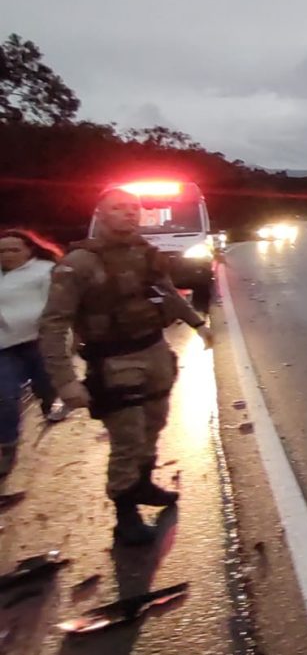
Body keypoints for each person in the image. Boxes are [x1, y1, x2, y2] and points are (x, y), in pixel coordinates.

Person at [39, 186, 213, 546]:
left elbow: (166, 292)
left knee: (154, 423)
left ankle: (144, 483)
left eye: (134, 208)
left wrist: (197, 325)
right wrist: (65, 381)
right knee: (128, 439)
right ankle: (125, 514)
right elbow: (54, 324)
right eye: (119, 208)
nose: (129, 214)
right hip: (114, 360)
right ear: (100, 214)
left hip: (154, 351)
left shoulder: (144, 253)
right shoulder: (79, 264)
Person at [0, 230, 68, 477]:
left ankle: (50, 402)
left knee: (46, 383)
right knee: (6, 397)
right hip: (4, 347)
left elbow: (55, 306)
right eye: (2, 251)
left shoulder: (44, 271)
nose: (7, 255)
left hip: (37, 341)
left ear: (29, 250)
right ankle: (7, 447)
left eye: (14, 250)